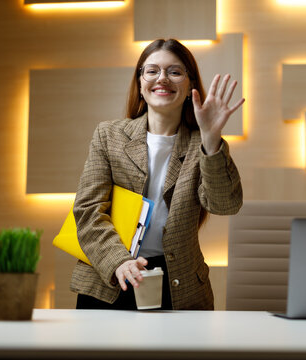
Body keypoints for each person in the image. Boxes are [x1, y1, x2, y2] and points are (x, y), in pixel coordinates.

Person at [70, 38, 244, 310]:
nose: (162, 79)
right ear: (140, 84)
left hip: (178, 283)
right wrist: (119, 261)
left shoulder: (204, 145)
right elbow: (88, 211)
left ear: (189, 86)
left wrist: (211, 138)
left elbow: (225, 204)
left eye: (174, 72)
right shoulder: (109, 135)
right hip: (109, 277)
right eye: (152, 71)